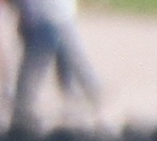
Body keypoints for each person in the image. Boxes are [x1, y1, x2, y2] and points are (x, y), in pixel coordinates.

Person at [9, 0, 97, 132]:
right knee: (38, 58)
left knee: (54, 51)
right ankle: (22, 110)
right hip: (42, 14)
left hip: (47, 14)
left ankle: (86, 88)